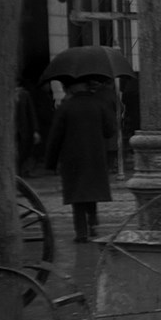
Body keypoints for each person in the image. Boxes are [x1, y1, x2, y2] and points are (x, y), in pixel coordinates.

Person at [44, 77, 116, 242]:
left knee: (77, 195)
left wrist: (51, 162)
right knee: (91, 191)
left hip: (72, 157)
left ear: (71, 88)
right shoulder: (99, 104)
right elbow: (110, 130)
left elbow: (56, 136)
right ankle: (93, 223)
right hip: (95, 155)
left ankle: (81, 231)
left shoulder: (66, 108)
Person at [15, 79, 40, 177]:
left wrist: (35, 130)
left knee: (23, 151)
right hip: (12, 129)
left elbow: (31, 113)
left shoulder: (24, 95)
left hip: (23, 128)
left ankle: (20, 171)